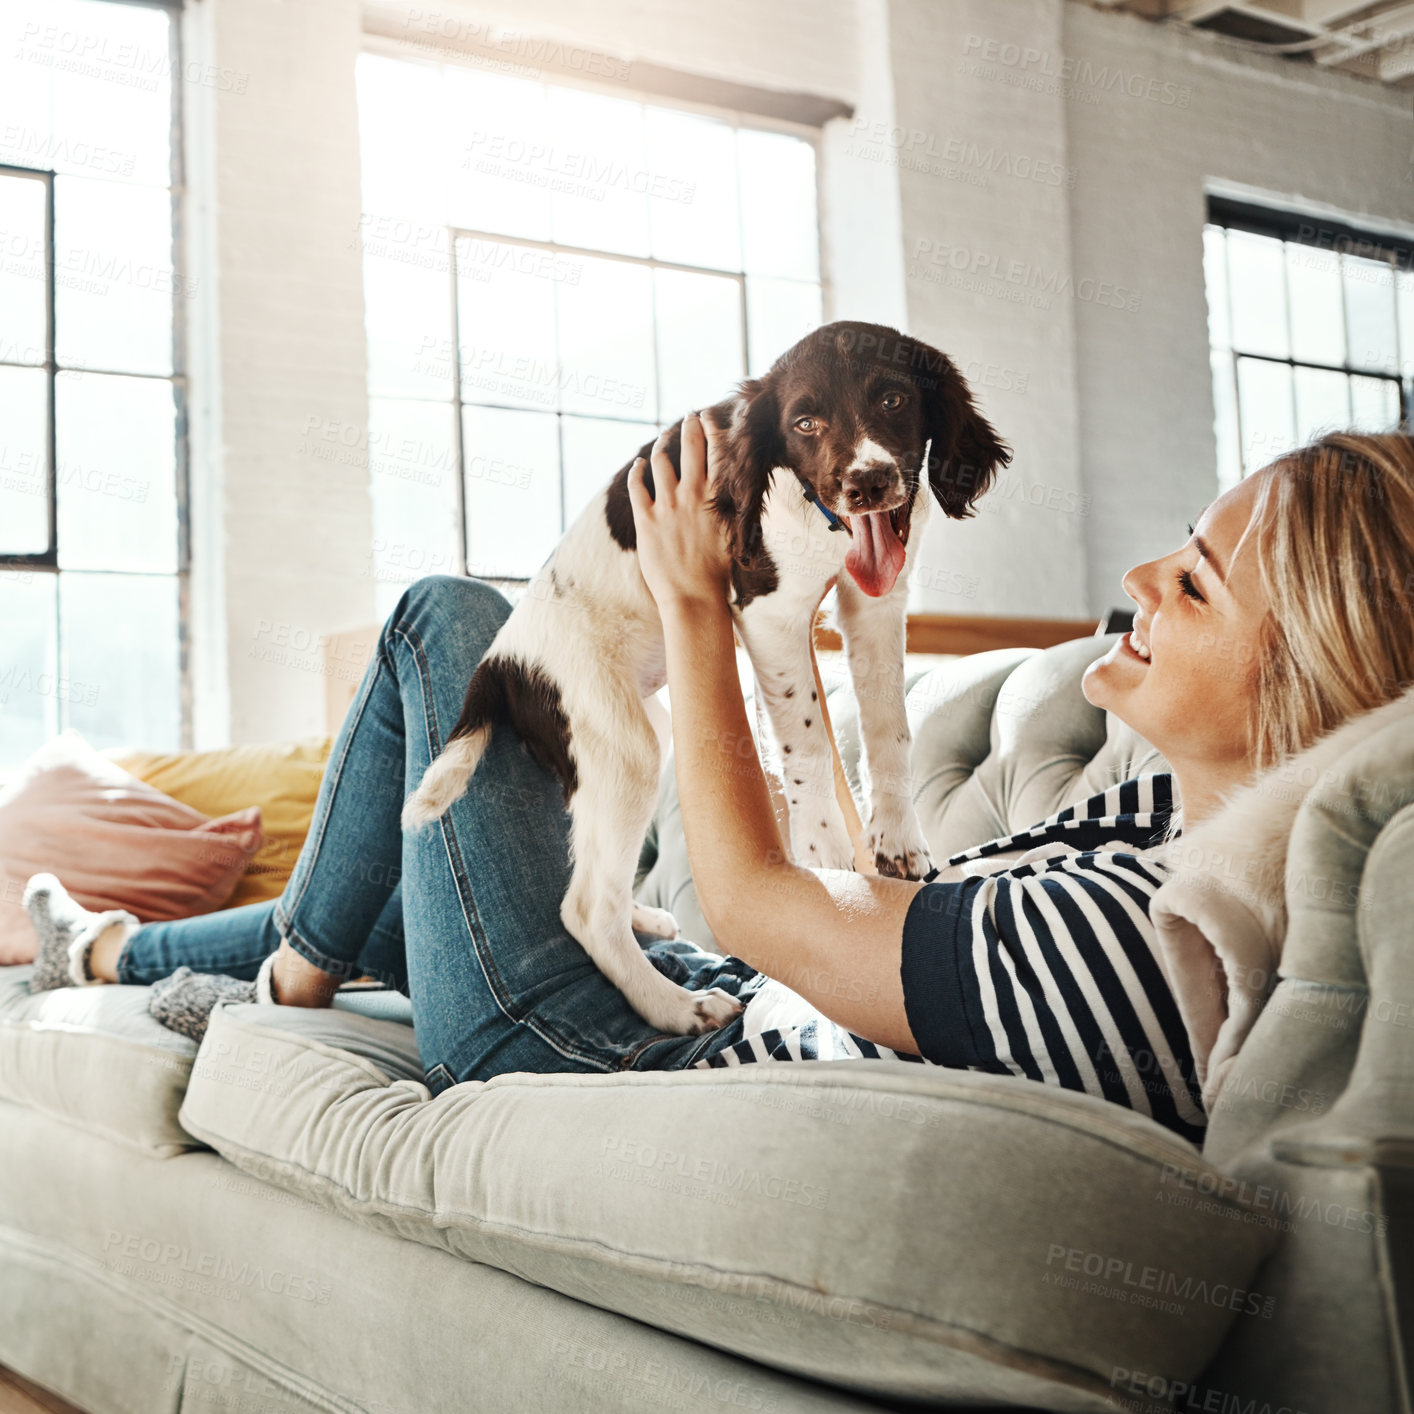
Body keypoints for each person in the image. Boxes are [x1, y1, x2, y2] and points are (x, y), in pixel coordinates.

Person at [23, 422, 1414, 1146]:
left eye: (1193, 579)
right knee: (410, 879)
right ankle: (104, 944)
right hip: (693, 994)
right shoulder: (1158, 813)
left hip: (604, 1056)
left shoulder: (1149, 935)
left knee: (441, 623)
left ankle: (292, 972)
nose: (1136, 580)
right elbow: (872, 909)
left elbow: (754, 901)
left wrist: (699, 601)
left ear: (1307, 674)